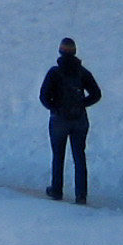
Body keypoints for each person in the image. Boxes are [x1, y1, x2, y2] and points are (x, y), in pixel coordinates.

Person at [40, 37, 102, 203]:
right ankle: (81, 195)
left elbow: (43, 96)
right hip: (79, 120)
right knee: (79, 157)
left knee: (58, 155)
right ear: (75, 52)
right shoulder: (82, 72)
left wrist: (56, 107)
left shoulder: (54, 72)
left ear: (60, 51)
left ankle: (56, 190)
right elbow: (97, 94)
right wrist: (81, 104)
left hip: (59, 120)